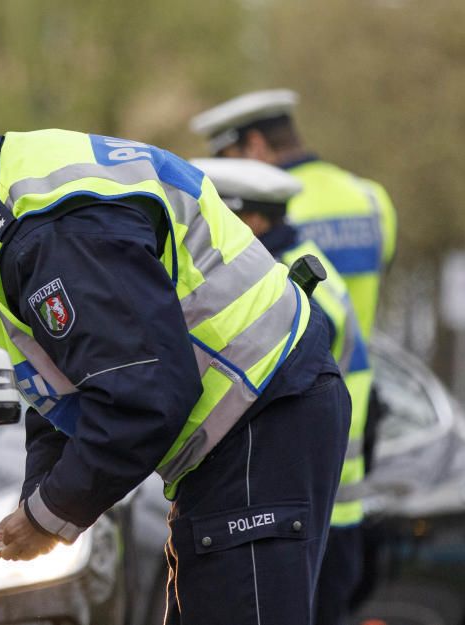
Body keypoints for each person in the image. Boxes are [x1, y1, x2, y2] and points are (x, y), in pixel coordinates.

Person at [0, 73, 350, 624]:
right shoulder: (18, 211)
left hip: (261, 418)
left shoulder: (51, 230)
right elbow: (71, 384)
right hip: (250, 425)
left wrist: (49, 516)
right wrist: (42, 497)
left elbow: (144, 393)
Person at [192, 158, 374, 625]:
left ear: (250, 219)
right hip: (317, 499)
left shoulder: (291, 289)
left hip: (315, 507)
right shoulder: (294, 267)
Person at [189, 90, 396, 340]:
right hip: (358, 371)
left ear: (255, 145)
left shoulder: (265, 215)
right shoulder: (372, 198)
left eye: (225, 157)